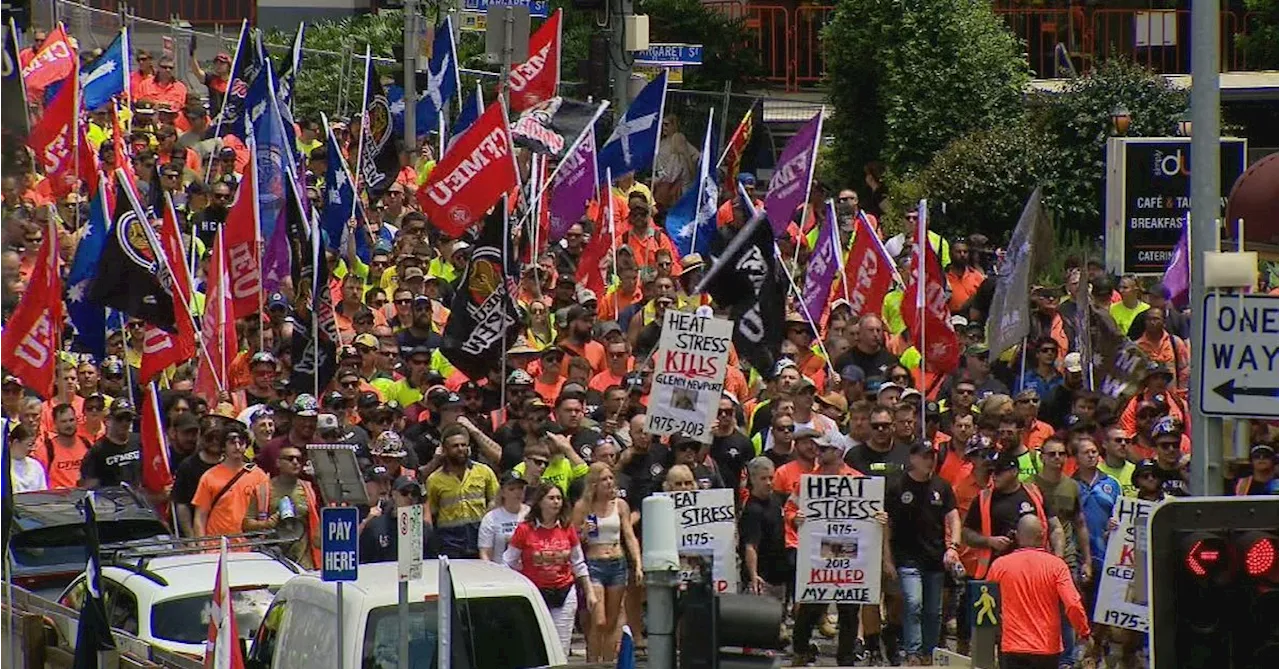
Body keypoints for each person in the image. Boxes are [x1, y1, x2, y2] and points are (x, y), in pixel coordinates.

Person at [883, 441, 960, 665]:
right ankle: (913, 651)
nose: (929, 461)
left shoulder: (942, 486)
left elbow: (953, 517)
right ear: (913, 458)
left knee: (934, 611)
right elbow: (886, 523)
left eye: (932, 456)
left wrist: (953, 546)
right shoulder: (897, 486)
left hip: (934, 557)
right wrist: (887, 558)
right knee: (913, 603)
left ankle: (930, 650)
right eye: (925, 456)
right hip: (907, 556)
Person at [504, 483, 598, 658]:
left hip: (564, 590)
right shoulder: (525, 529)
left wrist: (589, 591)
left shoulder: (567, 528)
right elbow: (508, 561)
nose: (556, 502)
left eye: (559, 498)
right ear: (540, 502)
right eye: (551, 498)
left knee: (560, 648)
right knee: (537, 646)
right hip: (536, 593)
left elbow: (578, 563)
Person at [987, 516, 1092, 669]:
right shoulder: (1057, 566)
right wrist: (1084, 633)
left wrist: (992, 638)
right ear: (1043, 536)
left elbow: (987, 605)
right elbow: (1073, 604)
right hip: (1047, 648)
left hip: (1011, 645)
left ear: (1016, 536)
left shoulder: (1000, 565)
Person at [572, 462, 641, 663]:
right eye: (604, 479)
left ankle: (609, 662)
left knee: (612, 623)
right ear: (594, 483)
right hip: (595, 563)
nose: (609, 482)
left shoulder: (620, 506)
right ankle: (593, 660)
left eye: (611, 478)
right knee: (599, 620)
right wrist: (583, 532)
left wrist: (637, 562)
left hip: (617, 562)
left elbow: (629, 536)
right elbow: (572, 539)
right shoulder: (583, 507)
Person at [425, 423, 498, 558]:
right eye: (455, 446)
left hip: (479, 533)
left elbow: (496, 500)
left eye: (464, 445)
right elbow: (432, 513)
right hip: (450, 539)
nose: (460, 449)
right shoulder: (434, 480)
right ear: (445, 450)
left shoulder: (484, 472)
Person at [243, 444, 322, 568]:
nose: (295, 462)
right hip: (272, 562)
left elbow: (317, 523)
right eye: (290, 459)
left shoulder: (309, 489)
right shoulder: (263, 490)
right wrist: (266, 524)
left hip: (304, 563)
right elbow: (246, 525)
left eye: (298, 459)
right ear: (278, 463)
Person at [192, 421, 269, 538]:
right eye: (232, 442)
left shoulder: (259, 475)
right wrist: (201, 545)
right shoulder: (209, 476)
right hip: (216, 546)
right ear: (224, 446)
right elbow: (200, 516)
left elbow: (263, 514)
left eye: (241, 442)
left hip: (250, 547)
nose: (237, 447)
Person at [80, 400, 143, 489]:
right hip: (111, 500)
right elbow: (89, 486)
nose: (124, 423)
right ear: (110, 419)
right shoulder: (98, 450)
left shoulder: (139, 441)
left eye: (128, 418)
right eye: (120, 418)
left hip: (137, 499)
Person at [478, 471, 529, 562]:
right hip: (501, 570)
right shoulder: (491, 518)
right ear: (502, 492)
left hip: (526, 571)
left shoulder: (531, 514)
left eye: (520, 488)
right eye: (512, 489)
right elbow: (485, 553)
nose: (517, 492)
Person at [10, 423, 47, 492]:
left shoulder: (35, 466)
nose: (33, 449)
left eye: (33, 444)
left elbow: (42, 493)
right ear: (16, 442)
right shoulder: (3, 466)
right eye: (29, 445)